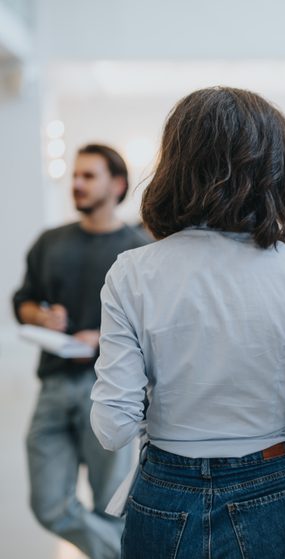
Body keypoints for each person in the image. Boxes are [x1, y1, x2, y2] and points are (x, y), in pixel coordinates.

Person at [90, 87, 285, 558]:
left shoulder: (132, 272)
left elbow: (112, 428)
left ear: (175, 166)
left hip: (164, 495)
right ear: (278, 168)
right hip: (273, 489)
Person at [13, 144, 149, 559]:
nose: (77, 183)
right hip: (54, 386)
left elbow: (155, 325)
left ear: (117, 184)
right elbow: (23, 300)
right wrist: (40, 316)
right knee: (49, 504)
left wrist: (104, 337)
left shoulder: (139, 249)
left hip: (109, 389)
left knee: (112, 507)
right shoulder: (50, 242)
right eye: (76, 175)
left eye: (89, 176)